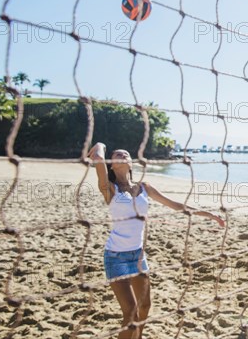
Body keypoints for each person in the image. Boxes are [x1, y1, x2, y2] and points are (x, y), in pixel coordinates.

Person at [87, 142, 225, 339]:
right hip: (116, 257)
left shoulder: (144, 187)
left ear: (132, 163)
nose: (122, 155)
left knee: (145, 307)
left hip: (138, 256)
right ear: (111, 164)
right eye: (117, 155)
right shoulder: (109, 188)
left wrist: (209, 214)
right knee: (131, 312)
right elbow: (98, 158)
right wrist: (100, 145)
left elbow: (176, 205)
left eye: (126, 153)